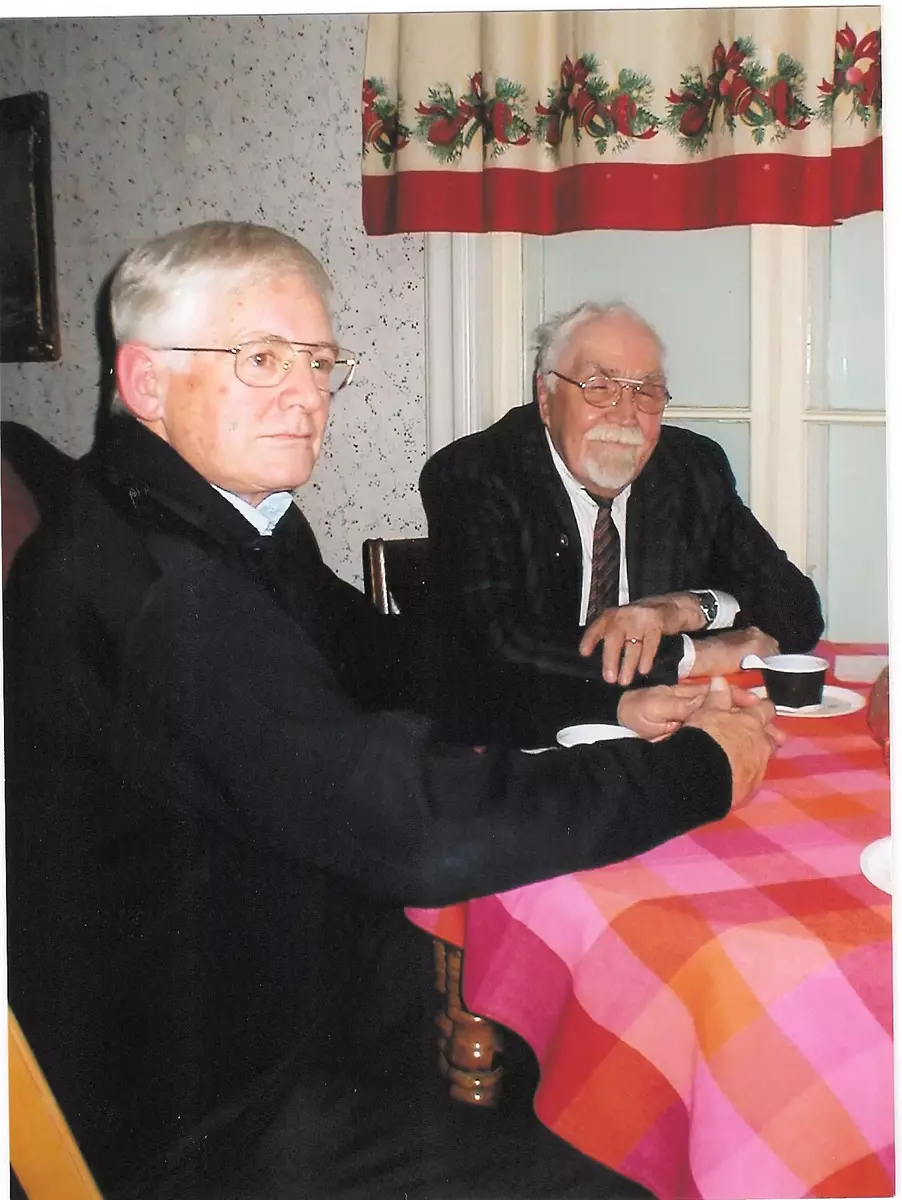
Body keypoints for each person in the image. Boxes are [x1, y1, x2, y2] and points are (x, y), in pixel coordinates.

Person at [4, 223, 781, 1200]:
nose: (306, 394)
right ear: (147, 382)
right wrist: (699, 770)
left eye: (319, 360)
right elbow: (414, 828)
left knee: (605, 1075)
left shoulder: (223, 518)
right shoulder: (164, 588)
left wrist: (611, 702)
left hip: (279, 967)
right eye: (261, 359)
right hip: (199, 1104)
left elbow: (397, 665)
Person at [420, 301, 824, 746]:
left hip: (663, 735)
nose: (626, 414)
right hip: (524, 745)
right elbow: (497, 649)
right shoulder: (476, 473)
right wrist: (693, 655)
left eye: (646, 392)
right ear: (546, 397)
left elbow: (799, 610)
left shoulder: (690, 469)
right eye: (599, 387)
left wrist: (686, 609)